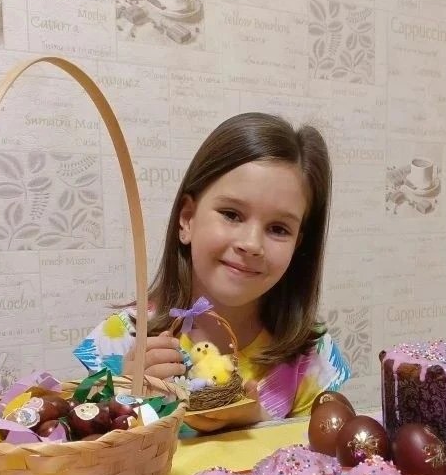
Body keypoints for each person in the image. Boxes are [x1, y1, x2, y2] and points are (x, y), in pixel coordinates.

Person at [72, 112, 350, 421]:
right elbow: (84, 438)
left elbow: (321, 448)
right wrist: (124, 395)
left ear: (298, 244)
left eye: (278, 229)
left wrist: (257, 421)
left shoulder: (311, 357)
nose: (251, 244)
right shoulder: (123, 339)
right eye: (231, 214)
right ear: (187, 219)